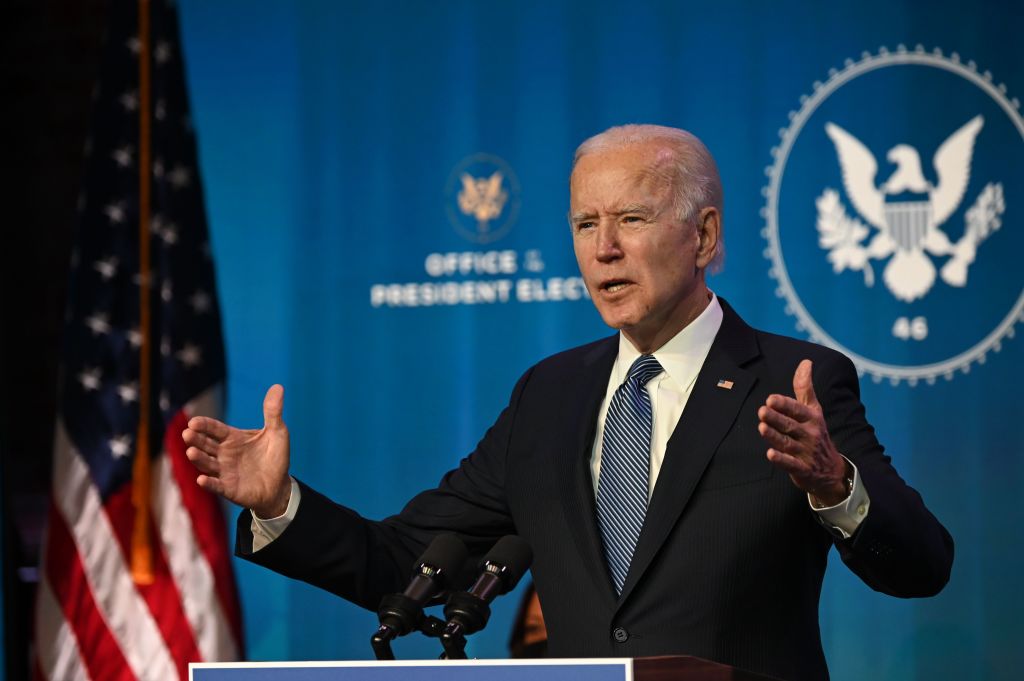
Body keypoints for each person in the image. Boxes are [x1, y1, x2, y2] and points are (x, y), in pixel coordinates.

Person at [183, 125, 953, 681]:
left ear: (703, 234)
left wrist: (835, 484)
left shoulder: (794, 380)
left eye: (631, 218)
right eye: (586, 223)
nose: (602, 247)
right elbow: (405, 562)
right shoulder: (548, 396)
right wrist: (279, 502)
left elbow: (924, 564)